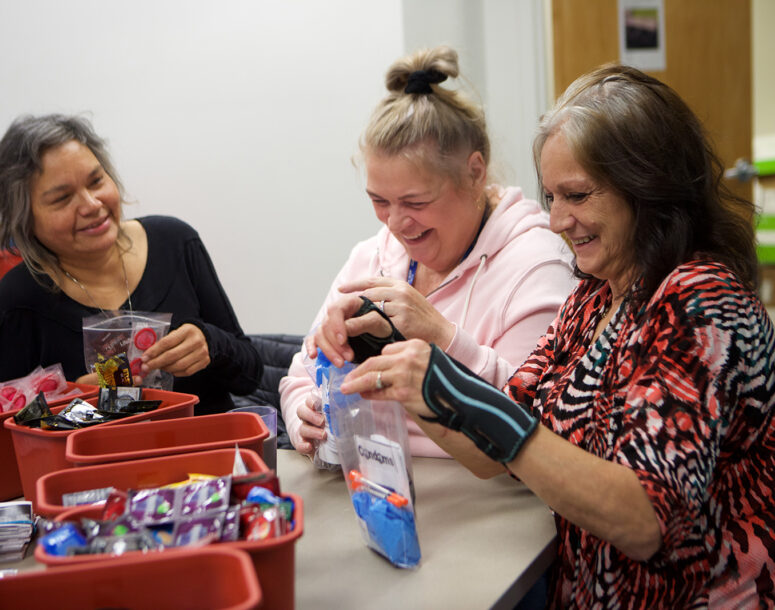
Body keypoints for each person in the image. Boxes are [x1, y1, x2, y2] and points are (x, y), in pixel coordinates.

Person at [332, 65, 775, 606]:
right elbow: (492, 454)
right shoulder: (593, 297)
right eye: (551, 196)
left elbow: (646, 519)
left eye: (579, 195)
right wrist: (411, 383)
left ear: (649, 188)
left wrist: (462, 397)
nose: (559, 220)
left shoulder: (700, 301)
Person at [279, 46, 575, 457]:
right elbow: (301, 374)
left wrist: (441, 336)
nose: (395, 224)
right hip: (381, 487)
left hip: (485, 492)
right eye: (379, 201)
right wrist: (301, 413)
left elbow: (536, 423)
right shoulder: (374, 256)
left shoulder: (537, 266)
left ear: (475, 173)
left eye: (415, 203)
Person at [0, 114, 261, 415]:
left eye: (96, 181)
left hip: (210, 454)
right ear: (26, 220)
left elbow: (250, 375)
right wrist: (71, 404)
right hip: (95, 462)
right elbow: (11, 430)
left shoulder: (175, 242)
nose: (92, 205)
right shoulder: (17, 300)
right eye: (62, 198)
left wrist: (210, 344)